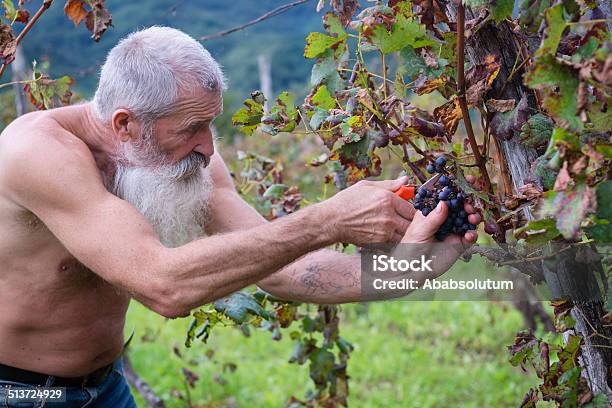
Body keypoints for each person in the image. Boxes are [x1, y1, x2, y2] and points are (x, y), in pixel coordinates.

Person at [0, 27, 481, 407]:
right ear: (125, 124)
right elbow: (163, 285)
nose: (209, 148)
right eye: (192, 128)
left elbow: (284, 267)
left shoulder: (183, 157)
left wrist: (407, 269)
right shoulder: (38, 155)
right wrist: (327, 220)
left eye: (211, 123)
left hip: (105, 388)